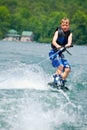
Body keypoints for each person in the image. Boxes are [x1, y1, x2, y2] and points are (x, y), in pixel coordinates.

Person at [49, 17, 72, 88]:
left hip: (60, 54)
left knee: (68, 69)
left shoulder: (70, 34)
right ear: (61, 25)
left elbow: (69, 42)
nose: (65, 27)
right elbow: (53, 41)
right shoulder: (57, 32)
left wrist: (68, 45)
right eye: (63, 25)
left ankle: (62, 81)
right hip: (54, 53)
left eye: (66, 25)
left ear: (69, 25)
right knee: (60, 66)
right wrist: (57, 45)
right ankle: (56, 80)